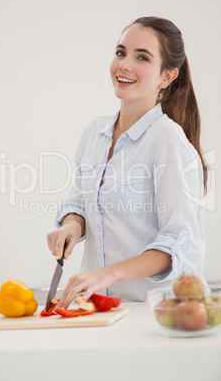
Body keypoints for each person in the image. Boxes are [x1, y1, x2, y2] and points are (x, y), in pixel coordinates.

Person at [47, 16, 208, 309]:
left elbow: (177, 244)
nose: (125, 64)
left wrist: (106, 274)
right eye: (121, 52)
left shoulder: (168, 142)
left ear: (167, 77)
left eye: (142, 57)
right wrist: (72, 225)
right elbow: (81, 202)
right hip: (100, 308)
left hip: (157, 312)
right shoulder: (93, 133)